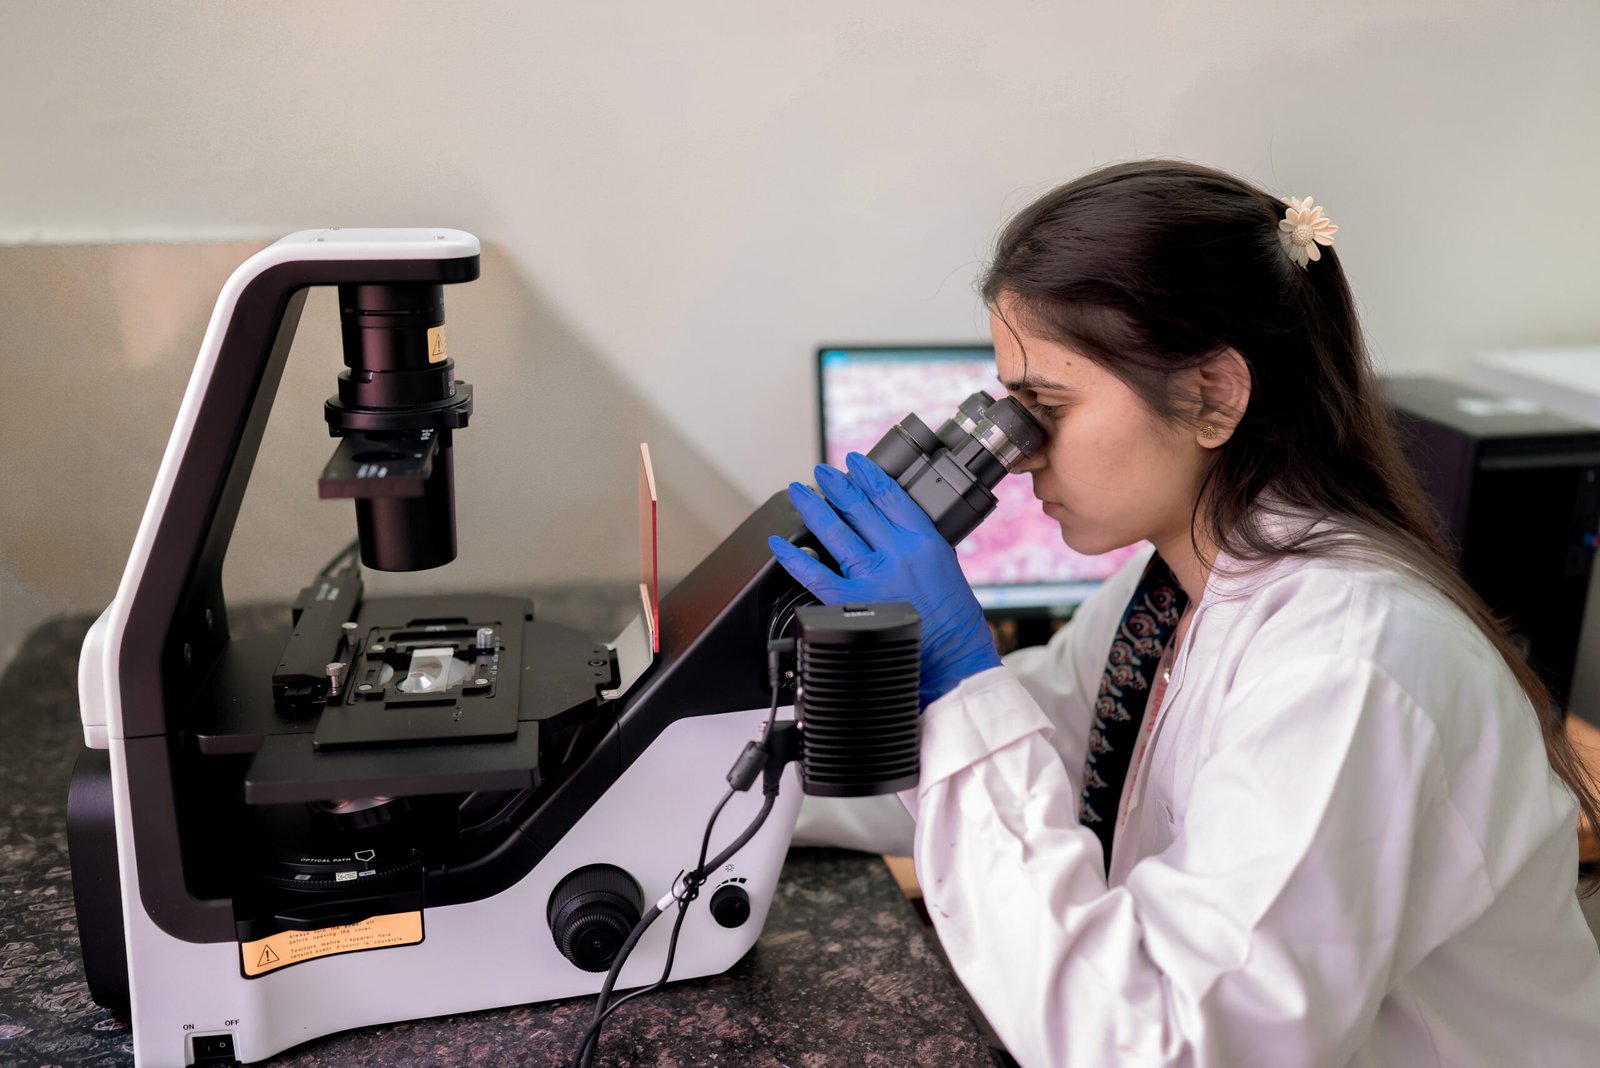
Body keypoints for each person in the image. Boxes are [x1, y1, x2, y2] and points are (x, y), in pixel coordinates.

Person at [769, 160, 1600, 1066]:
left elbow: (1167, 1044)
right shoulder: (1173, 593)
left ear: (1213, 395)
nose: (1020, 454)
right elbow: (1033, 749)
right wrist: (726, 750)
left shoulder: (1351, 666)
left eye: (1045, 406)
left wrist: (958, 687)